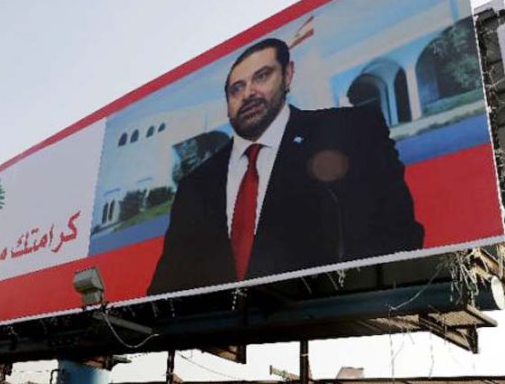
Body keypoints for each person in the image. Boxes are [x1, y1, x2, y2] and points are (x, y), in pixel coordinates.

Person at [148, 38, 423, 295]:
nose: (248, 94)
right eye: (236, 89)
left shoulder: (353, 130)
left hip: (336, 323)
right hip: (218, 335)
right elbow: (168, 284)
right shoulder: (196, 185)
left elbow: (398, 233)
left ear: (288, 75)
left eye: (262, 76)